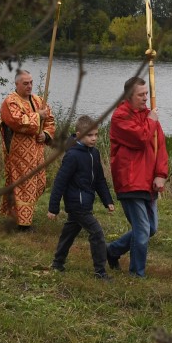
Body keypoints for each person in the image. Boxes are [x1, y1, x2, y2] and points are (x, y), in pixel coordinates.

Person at [106, 76, 168, 278]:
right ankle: (136, 274)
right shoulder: (120, 117)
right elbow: (140, 139)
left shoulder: (150, 117)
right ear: (129, 96)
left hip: (149, 181)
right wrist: (151, 120)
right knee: (142, 228)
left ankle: (112, 250)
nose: (145, 98)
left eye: (146, 94)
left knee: (151, 229)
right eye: (141, 95)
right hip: (130, 180)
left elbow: (160, 148)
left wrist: (160, 174)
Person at [48, 115, 115, 279]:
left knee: (70, 232)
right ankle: (100, 271)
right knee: (97, 233)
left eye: (96, 135)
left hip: (86, 201)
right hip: (77, 203)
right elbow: (60, 182)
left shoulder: (94, 153)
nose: (93, 139)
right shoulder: (72, 155)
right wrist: (53, 208)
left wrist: (108, 201)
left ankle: (57, 263)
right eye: (89, 135)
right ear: (78, 135)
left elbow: (99, 179)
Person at [0, 69, 55, 231]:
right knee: (25, 186)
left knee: (39, 184)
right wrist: (38, 116)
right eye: (25, 83)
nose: (29, 86)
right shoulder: (10, 102)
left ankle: (15, 212)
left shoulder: (39, 100)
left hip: (37, 153)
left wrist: (45, 134)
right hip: (19, 153)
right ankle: (23, 224)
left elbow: (50, 120)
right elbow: (17, 121)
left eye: (31, 83)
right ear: (16, 84)